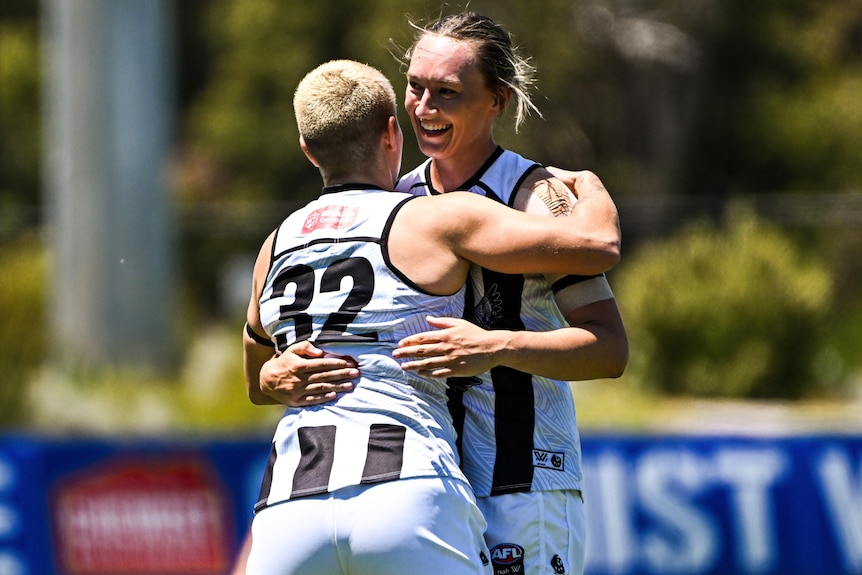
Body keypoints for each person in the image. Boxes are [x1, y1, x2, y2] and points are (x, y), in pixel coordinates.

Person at [254, 13, 629, 575]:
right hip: (422, 482)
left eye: (447, 93)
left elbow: (609, 348)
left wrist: (498, 346)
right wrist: (272, 374)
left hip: (520, 484)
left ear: (496, 101)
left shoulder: (536, 197)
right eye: (415, 87)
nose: (425, 107)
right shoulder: (398, 197)